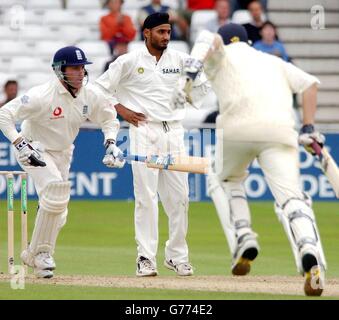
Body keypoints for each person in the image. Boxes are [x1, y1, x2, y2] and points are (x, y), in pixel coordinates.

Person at [173, 24, 326, 296]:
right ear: (249, 42)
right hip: (280, 131)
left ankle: (244, 235)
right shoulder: (274, 61)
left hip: (236, 131)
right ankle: (309, 248)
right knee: (292, 199)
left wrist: (193, 66)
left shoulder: (221, 55)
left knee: (225, 179)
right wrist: (308, 126)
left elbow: (211, 40)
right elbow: (310, 84)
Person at [96, 12, 210, 277]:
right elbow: (99, 89)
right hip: (143, 131)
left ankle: (177, 256)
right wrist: (121, 110)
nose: (166, 37)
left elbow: (199, 97)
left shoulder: (180, 59)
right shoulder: (129, 60)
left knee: (180, 198)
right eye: (161, 32)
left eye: (168, 32)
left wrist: (197, 76)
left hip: (174, 133)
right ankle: (145, 258)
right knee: (146, 197)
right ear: (146, 33)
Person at [0, 46, 124, 278]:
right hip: (34, 149)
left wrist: (110, 143)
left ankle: (32, 253)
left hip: (64, 152)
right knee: (56, 194)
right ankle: (43, 255)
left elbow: (109, 118)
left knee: (60, 212)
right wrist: (19, 143)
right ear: (59, 70)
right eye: (73, 68)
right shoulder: (43, 95)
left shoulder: (90, 95)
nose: (79, 72)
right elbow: (4, 115)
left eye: (82, 68)